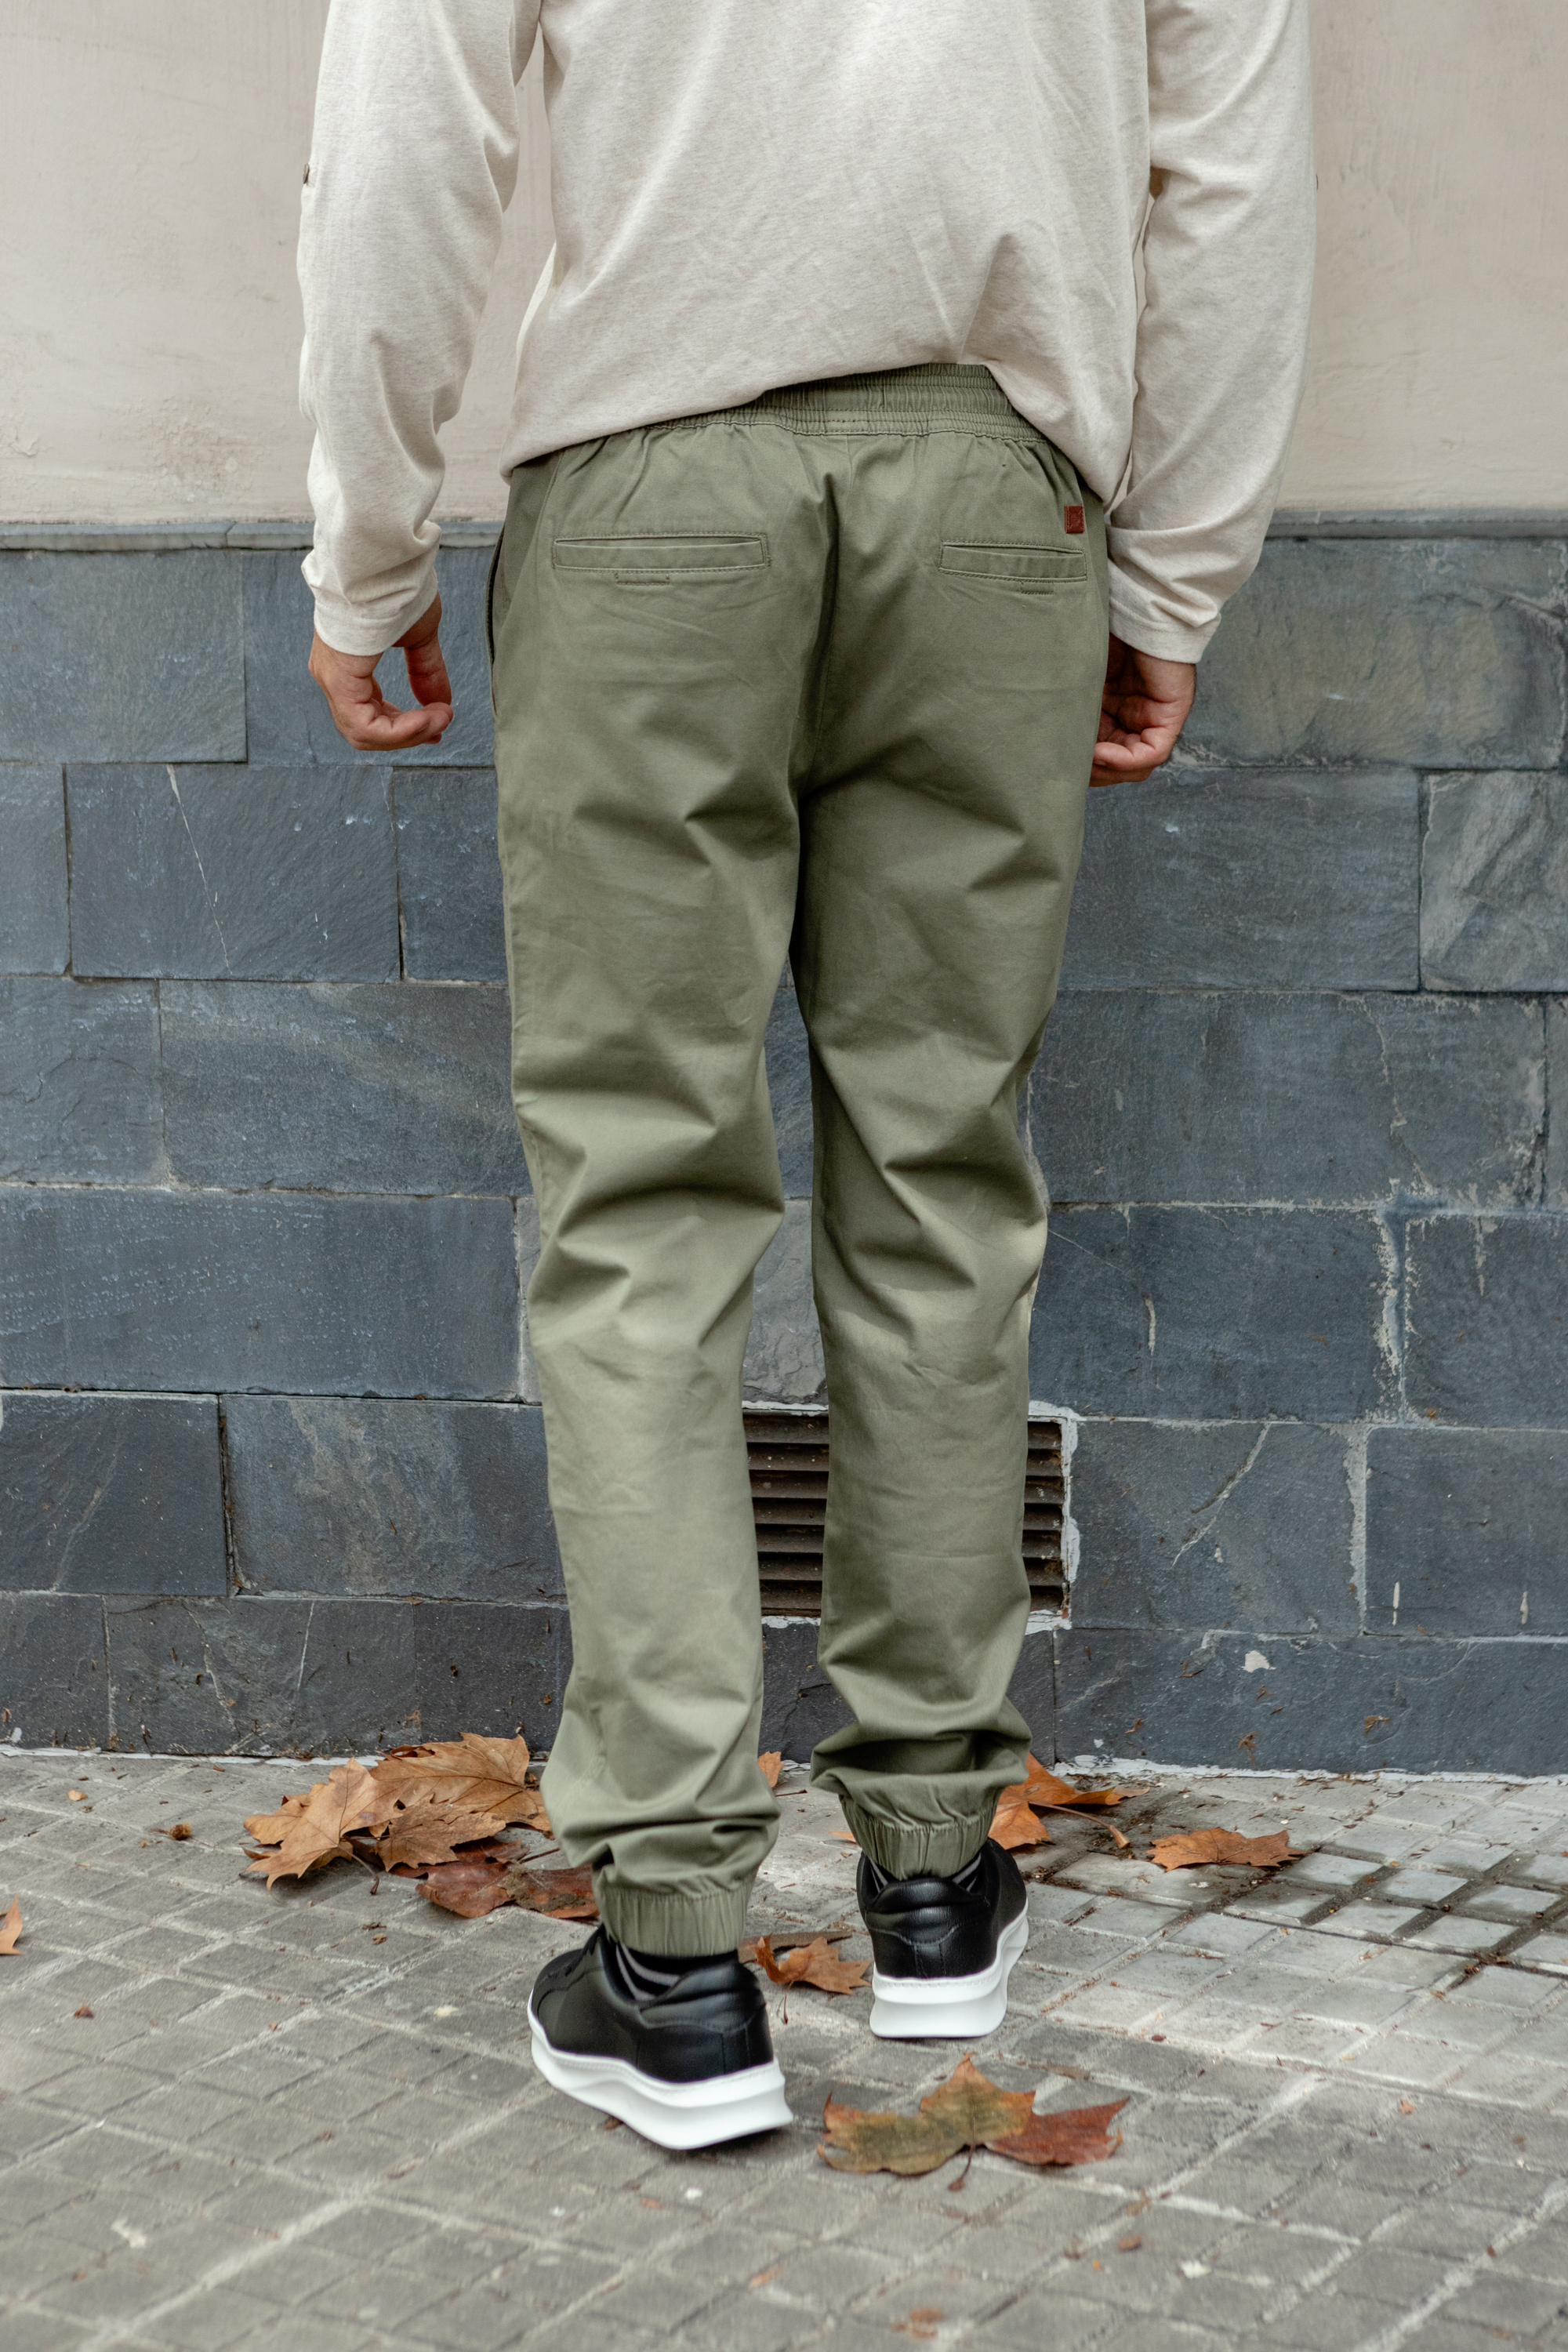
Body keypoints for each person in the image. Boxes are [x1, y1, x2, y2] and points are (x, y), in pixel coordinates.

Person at [301, 0, 1315, 2150]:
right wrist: (1173, 574)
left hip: (649, 505)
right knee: (944, 1174)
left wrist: (368, 541)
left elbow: (406, 137)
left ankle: (674, 1959)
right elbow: (1228, 178)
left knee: (640, 1202)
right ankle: (937, 1879)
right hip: (996, 513)